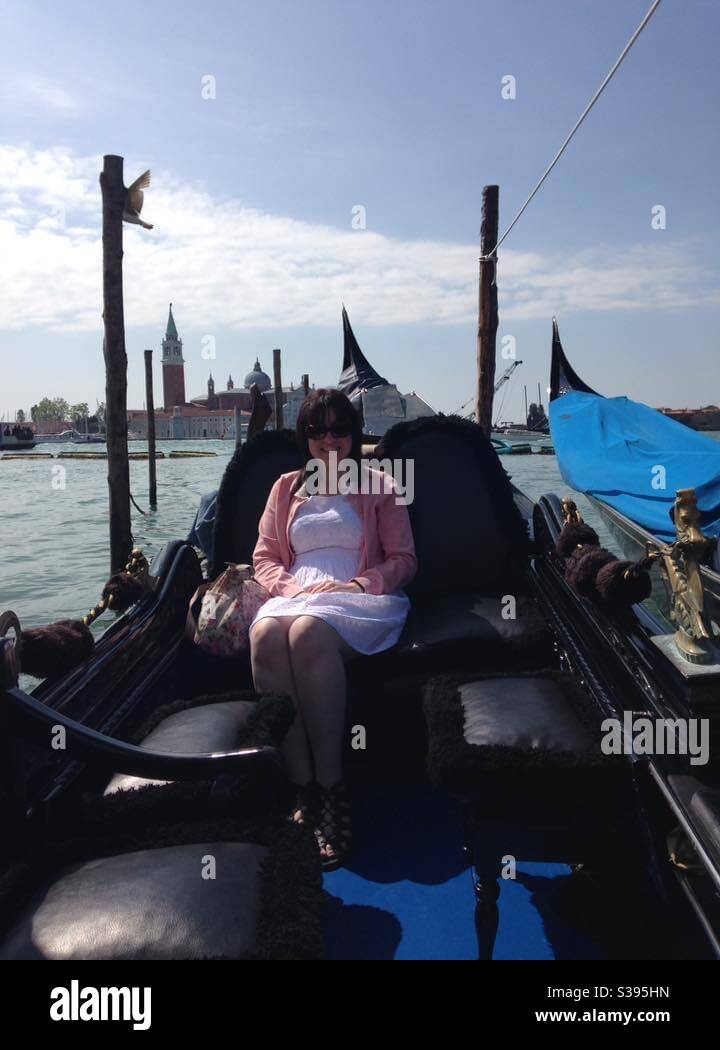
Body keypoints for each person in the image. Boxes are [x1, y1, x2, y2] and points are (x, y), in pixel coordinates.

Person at [249, 388, 417, 869]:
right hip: (293, 593)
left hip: (359, 595)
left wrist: (360, 584)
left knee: (307, 634)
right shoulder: (284, 487)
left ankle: (332, 787)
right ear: (304, 437)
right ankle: (302, 789)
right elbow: (264, 556)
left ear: (353, 433)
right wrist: (287, 587)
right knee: (264, 637)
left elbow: (404, 559)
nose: (329, 439)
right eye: (317, 430)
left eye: (339, 429)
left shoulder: (381, 484)